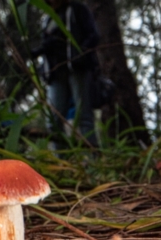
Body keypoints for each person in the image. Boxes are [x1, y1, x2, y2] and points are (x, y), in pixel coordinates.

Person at [31, 0, 100, 147]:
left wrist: (80, 53)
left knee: (83, 116)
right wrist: (37, 52)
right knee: (54, 119)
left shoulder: (77, 10)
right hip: (55, 73)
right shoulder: (48, 19)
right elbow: (48, 44)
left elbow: (93, 35)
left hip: (78, 69)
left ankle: (94, 155)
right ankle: (60, 161)